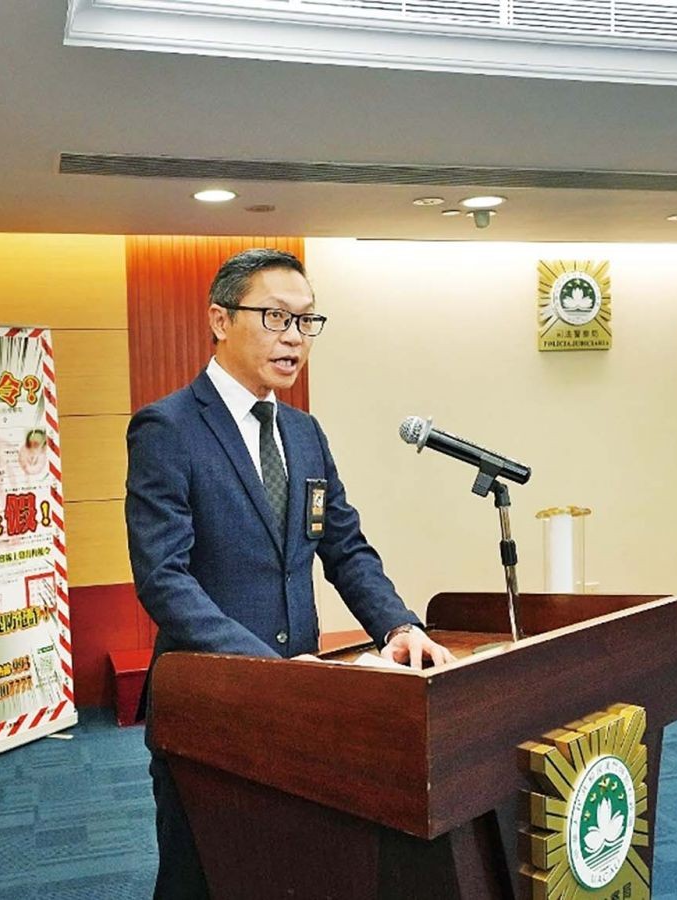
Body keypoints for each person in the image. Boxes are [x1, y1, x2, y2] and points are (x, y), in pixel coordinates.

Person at [125, 247, 455, 899]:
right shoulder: (167, 428)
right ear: (220, 320)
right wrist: (267, 671)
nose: (295, 337)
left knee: (291, 873)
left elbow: (345, 548)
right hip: (210, 701)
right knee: (202, 879)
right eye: (276, 317)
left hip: (301, 703)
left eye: (307, 321)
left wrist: (398, 626)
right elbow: (164, 578)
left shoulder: (304, 433)